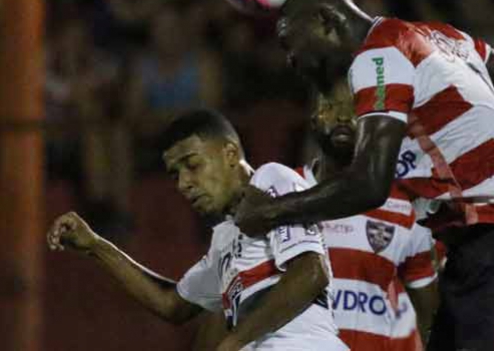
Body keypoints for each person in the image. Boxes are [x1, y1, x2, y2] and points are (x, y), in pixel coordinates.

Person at [235, 0, 494, 350]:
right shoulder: (441, 36)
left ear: (326, 21)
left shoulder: (377, 56)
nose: (290, 59)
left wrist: (272, 212)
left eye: (290, 41)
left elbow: (369, 184)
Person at [47, 109, 348, 351]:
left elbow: (312, 272)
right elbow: (172, 305)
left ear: (230, 154)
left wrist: (235, 341)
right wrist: (96, 246)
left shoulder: (272, 178)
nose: (183, 183)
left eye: (192, 164)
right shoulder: (224, 240)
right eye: (175, 174)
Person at [302, 79, 439, 350]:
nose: (342, 116)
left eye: (355, 107)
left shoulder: (402, 210)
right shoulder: (282, 192)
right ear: (313, 120)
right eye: (330, 107)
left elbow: (427, 311)